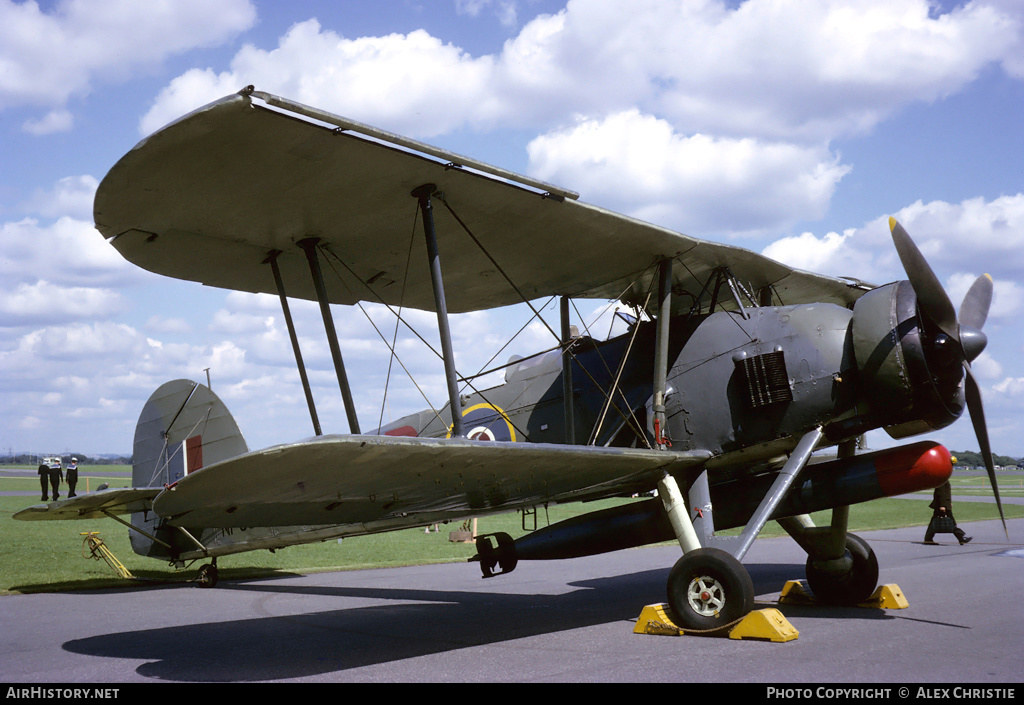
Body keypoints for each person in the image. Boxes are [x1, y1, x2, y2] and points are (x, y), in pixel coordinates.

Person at [924, 480, 971, 545]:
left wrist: (948, 503)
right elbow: (941, 493)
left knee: (934, 522)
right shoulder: (942, 480)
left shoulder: (943, 480)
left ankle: (928, 539)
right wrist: (943, 505)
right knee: (951, 522)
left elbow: (946, 493)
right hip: (943, 506)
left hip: (944, 504)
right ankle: (961, 538)